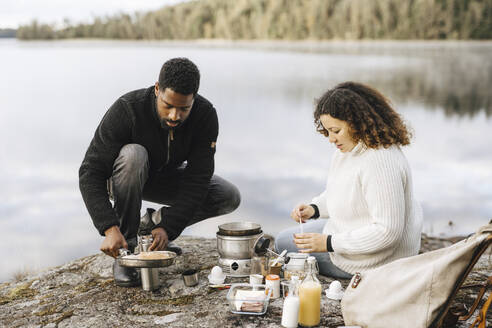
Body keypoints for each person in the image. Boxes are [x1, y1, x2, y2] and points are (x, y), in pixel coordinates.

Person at [79, 57, 241, 286]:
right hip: (125, 174)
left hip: (166, 177)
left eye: (184, 108)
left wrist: (168, 227)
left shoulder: (205, 115)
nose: (175, 115)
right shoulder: (127, 109)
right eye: (168, 105)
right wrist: (109, 227)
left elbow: (198, 178)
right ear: (157, 89)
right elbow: (90, 172)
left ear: (194, 98)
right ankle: (127, 249)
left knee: (228, 196)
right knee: (134, 155)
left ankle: (150, 227)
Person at [275, 81, 423, 279]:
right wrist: (314, 208)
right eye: (327, 132)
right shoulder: (351, 147)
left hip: (378, 259)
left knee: (284, 245)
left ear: (357, 122)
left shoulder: (380, 160)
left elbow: (387, 232)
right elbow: (344, 192)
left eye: (336, 131)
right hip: (350, 234)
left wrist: (327, 243)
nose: (331, 139)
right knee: (284, 239)